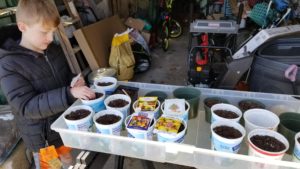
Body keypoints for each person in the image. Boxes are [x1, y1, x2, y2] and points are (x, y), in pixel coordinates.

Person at [0, 0, 96, 168]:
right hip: (41, 136)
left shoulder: (52, 50)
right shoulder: (9, 65)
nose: (51, 38)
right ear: (23, 27)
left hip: (62, 124)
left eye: (53, 31)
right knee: (51, 166)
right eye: (45, 32)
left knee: (67, 158)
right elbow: (26, 107)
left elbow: (64, 76)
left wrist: (74, 81)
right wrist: (69, 93)